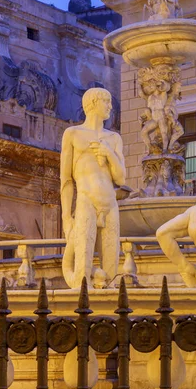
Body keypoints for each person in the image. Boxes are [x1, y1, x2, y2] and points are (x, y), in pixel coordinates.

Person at [60, 87, 126, 288]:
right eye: (105, 101)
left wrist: (109, 154)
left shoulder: (114, 139)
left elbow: (121, 179)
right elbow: (66, 180)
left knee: (112, 274)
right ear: (92, 103)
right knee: (82, 271)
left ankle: (111, 315)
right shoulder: (73, 134)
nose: (110, 106)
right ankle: (84, 313)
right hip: (86, 201)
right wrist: (66, 217)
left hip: (110, 204)